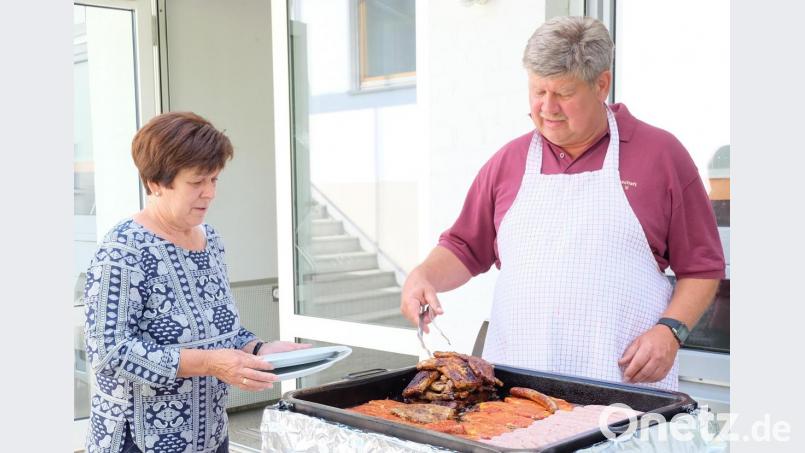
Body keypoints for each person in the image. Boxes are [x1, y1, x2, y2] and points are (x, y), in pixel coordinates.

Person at [400, 16, 725, 391]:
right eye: (538, 91)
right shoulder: (508, 163)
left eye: (563, 93)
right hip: (515, 393)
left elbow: (702, 267)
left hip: (621, 391)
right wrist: (423, 276)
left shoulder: (661, 156)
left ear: (601, 84)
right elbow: (463, 247)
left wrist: (671, 331)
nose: (547, 107)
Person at [83, 111, 310, 453]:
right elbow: (108, 352)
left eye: (214, 180)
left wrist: (259, 350)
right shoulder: (123, 249)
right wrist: (209, 363)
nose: (209, 193)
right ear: (156, 182)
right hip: (140, 442)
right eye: (196, 182)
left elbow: (219, 328)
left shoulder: (211, 240)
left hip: (210, 437)